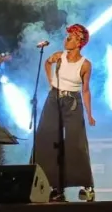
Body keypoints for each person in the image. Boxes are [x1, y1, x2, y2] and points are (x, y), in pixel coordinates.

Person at [33, 24, 96, 202]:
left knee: (75, 141)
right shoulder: (59, 57)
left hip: (72, 102)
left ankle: (87, 185)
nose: (66, 40)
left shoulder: (85, 65)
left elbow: (85, 90)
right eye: (66, 37)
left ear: (79, 42)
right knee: (48, 138)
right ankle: (55, 186)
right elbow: (47, 62)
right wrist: (51, 81)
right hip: (54, 98)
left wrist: (90, 114)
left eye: (70, 38)